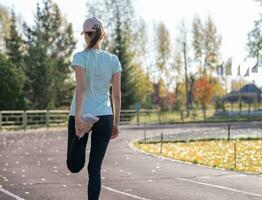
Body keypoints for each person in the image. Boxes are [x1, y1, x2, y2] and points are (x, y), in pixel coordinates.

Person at [66, 17, 122, 200]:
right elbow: (116, 95)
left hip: (81, 114)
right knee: (94, 168)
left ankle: (79, 135)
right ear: (102, 34)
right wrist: (116, 122)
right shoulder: (113, 60)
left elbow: (81, 88)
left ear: (85, 36)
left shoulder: (79, 57)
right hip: (104, 117)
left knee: (74, 166)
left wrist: (78, 119)